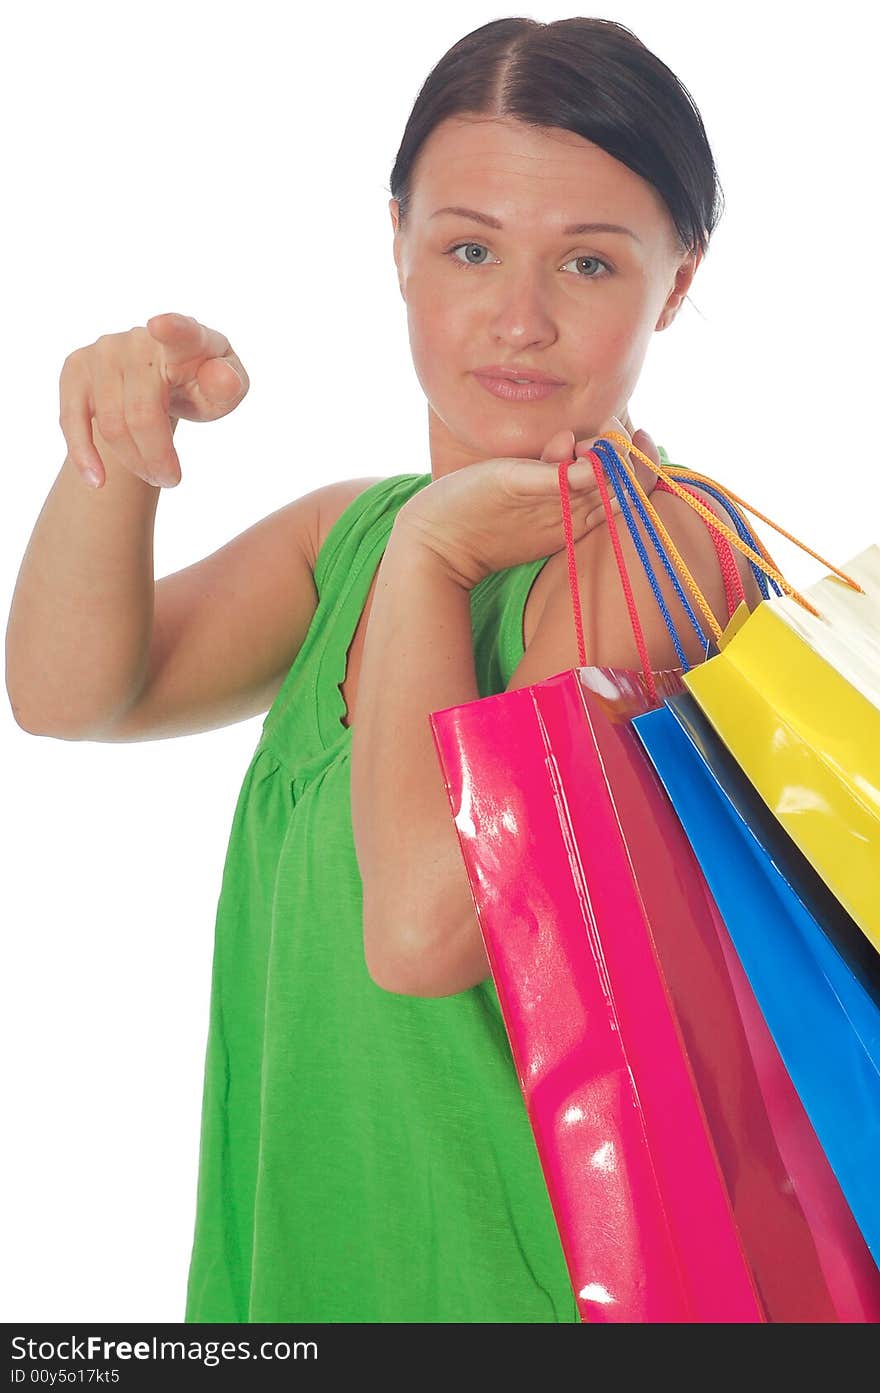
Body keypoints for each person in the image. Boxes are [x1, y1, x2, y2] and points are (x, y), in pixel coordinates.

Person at [6, 16, 764, 1322]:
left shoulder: (662, 557)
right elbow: (71, 692)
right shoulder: (346, 538)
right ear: (398, 247)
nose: (518, 319)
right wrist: (120, 451)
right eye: (469, 248)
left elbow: (425, 927)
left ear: (677, 283)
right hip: (293, 1293)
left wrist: (437, 561)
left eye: (588, 263)